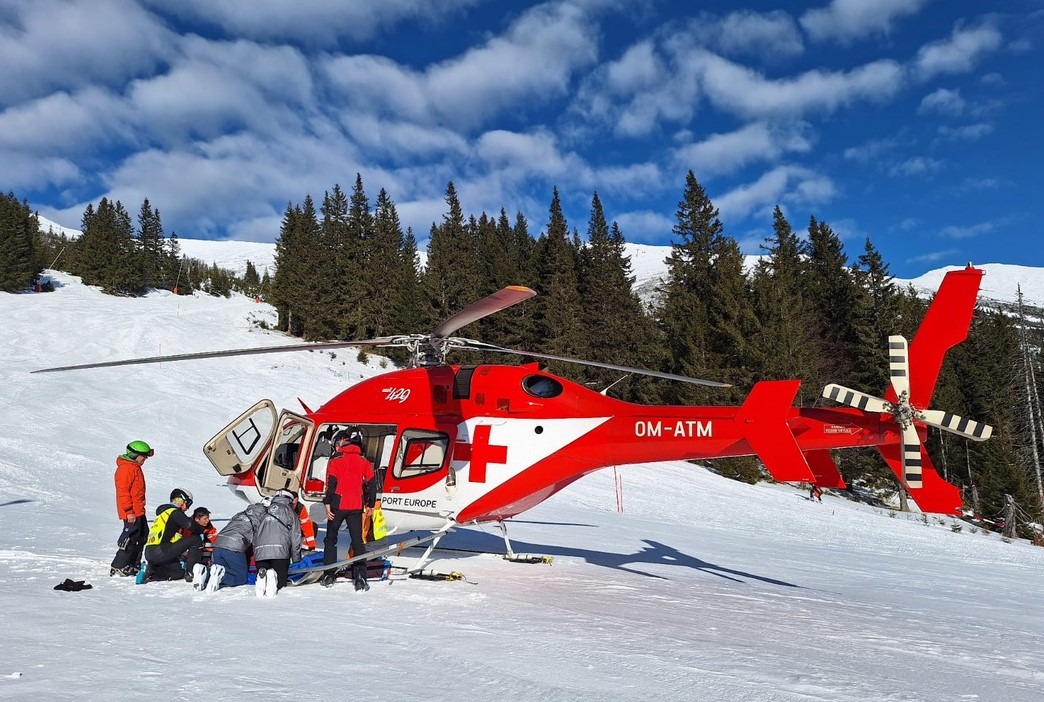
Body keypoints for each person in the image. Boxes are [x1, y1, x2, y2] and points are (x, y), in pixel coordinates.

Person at [321, 431, 376, 590]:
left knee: (331, 539)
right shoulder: (364, 462)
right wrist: (370, 504)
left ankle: (329, 574)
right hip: (356, 506)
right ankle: (360, 578)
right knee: (358, 542)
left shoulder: (336, 460)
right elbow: (371, 485)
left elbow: (331, 484)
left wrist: (327, 503)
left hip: (338, 505)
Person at [143, 488, 205, 583]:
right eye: (188, 503)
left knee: (178, 573)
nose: (188, 508)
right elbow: (190, 525)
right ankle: (191, 572)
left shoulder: (163, 514)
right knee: (196, 539)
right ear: (180, 500)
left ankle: (153, 571)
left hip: (150, 552)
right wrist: (201, 529)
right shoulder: (174, 512)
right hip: (161, 550)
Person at [110, 440, 153, 577]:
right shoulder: (126, 469)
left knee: (143, 535)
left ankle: (133, 563)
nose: (145, 459)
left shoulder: (134, 467)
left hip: (139, 509)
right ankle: (119, 565)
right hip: (131, 512)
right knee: (131, 538)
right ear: (135, 455)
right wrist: (129, 511)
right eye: (143, 456)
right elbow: (123, 492)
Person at [253, 489, 303, 597]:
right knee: (280, 584)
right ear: (289, 499)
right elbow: (296, 536)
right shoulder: (290, 512)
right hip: (280, 550)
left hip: (260, 551)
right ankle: (273, 578)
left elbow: (255, 533)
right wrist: (296, 559)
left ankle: (263, 580)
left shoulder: (264, 511)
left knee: (263, 573)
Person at [208, 502, 267, 591]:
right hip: (234, 546)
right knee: (241, 577)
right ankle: (222, 575)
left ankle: (204, 572)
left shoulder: (240, 514)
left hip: (218, 543)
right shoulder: (261, 519)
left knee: (221, 571)